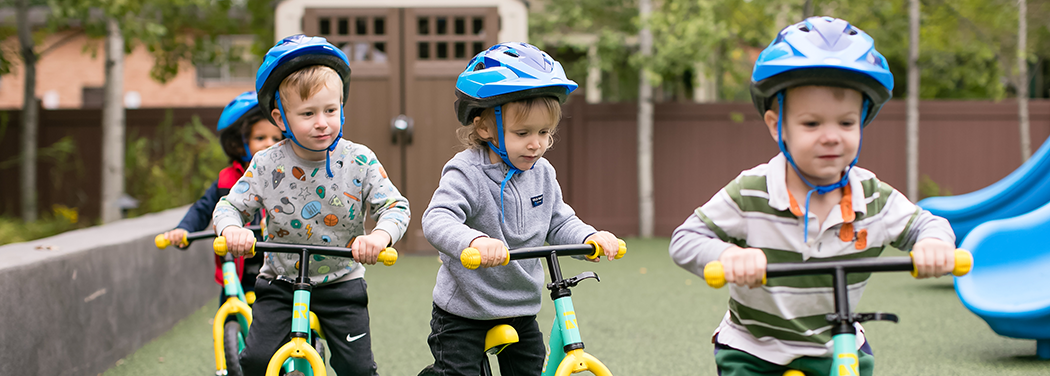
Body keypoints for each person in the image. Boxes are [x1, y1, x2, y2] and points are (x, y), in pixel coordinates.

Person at [668, 17, 957, 376]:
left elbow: (927, 225)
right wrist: (728, 255)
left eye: (846, 123)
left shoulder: (873, 198)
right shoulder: (751, 190)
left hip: (836, 344)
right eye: (811, 124)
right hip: (755, 349)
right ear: (777, 126)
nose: (832, 136)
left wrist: (933, 244)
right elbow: (685, 239)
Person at [420, 42, 623, 376]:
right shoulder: (466, 171)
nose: (536, 144)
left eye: (544, 132)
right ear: (485, 127)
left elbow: (559, 221)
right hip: (465, 310)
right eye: (523, 133)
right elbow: (438, 218)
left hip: (520, 307)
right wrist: (473, 242)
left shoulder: (542, 173)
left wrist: (590, 237)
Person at [213, 34, 410, 376]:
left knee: (358, 368)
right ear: (280, 118)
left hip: (341, 281)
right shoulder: (265, 163)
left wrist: (379, 238)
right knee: (255, 361)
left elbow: (395, 206)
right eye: (307, 113)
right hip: (279, 282)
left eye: (330, 110)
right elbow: (229, 206)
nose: (322, 122)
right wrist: (232, 229)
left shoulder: (359, 159)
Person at [159, 91, 280, 304]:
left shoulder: (287, 179)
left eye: (276, 139)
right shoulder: (228, 180)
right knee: (229, 310)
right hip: (235, 268)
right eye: (260, 138)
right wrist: (184, 230)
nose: (268, 143)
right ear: (239, 143)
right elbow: (203, 208)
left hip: (276, 271)